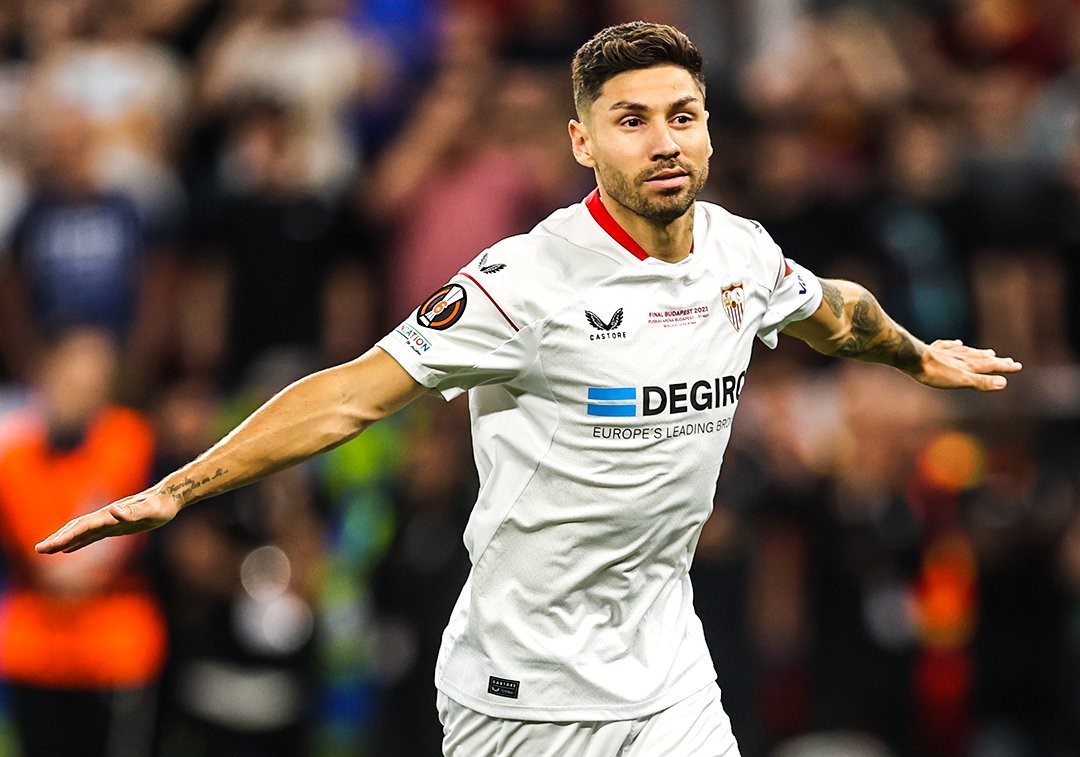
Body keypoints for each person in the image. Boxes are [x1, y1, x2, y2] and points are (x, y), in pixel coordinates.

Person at [36, 22, 1022, 757]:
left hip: (669, 674)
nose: (664, 142)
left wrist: (913, 355)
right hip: (526, 696)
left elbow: (832, 309)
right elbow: (350, 395)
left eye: (682, 117)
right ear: (582, 142)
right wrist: (178, 488)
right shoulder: (524, 283)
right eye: (631, 121)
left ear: (709, 132)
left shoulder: (740, 252)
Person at [0, 328, 166, 757]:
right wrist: (67, 572)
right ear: (45, 376)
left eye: (94, 383)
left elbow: (101, 554)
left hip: (114, 653)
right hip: (36, 654)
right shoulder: (14, 458)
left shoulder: (131, 441)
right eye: (70, 379)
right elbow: (47, 559)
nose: (79, 393)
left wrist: (72, 572)